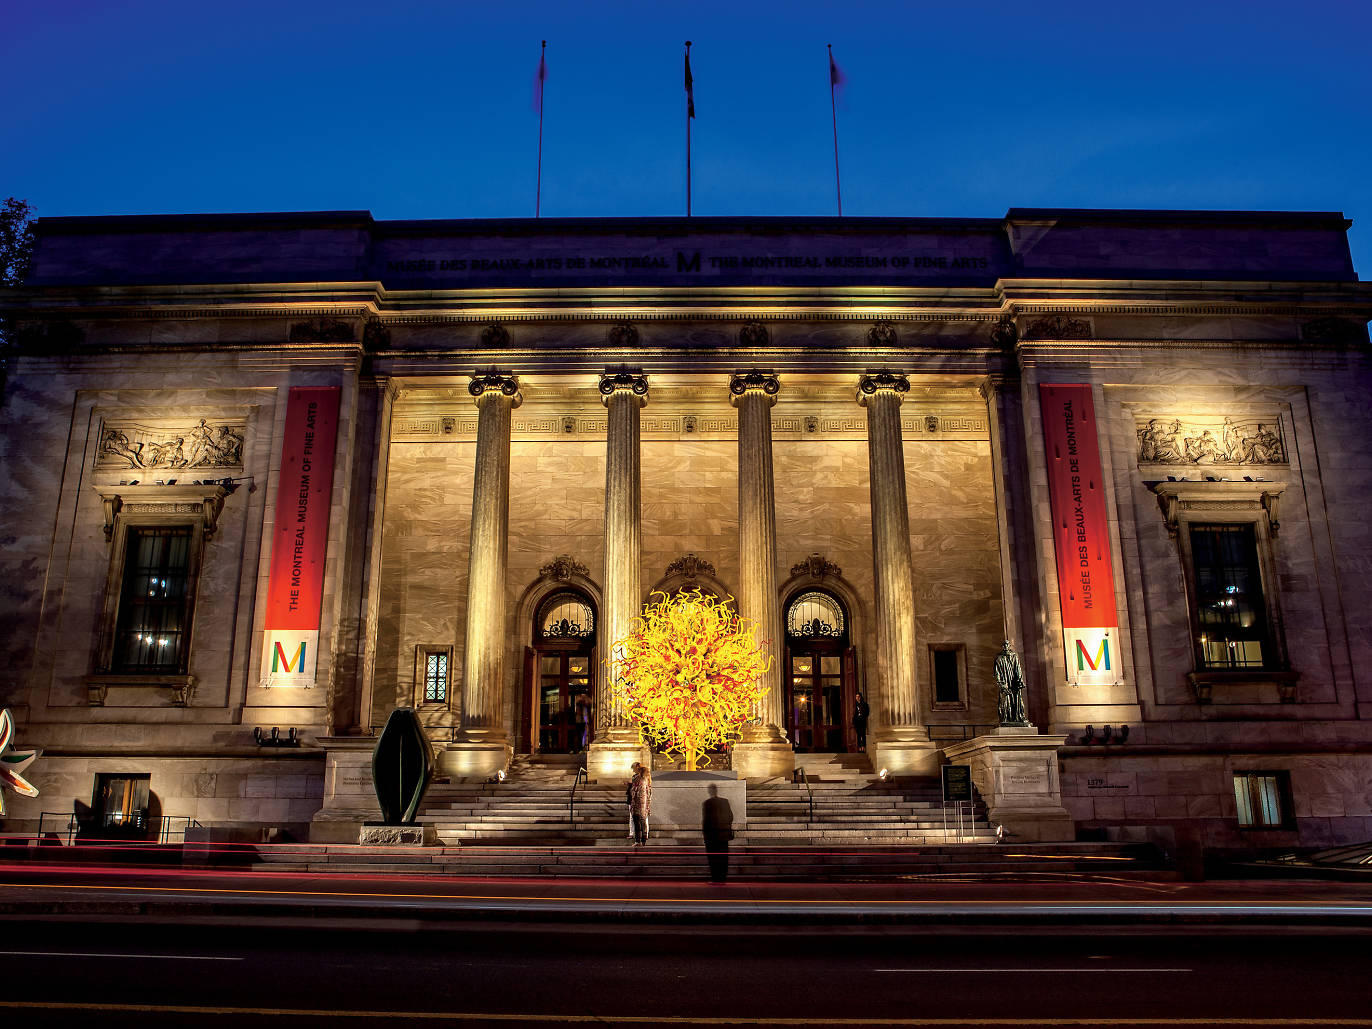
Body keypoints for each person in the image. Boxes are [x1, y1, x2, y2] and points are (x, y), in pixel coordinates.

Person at [701, 784, 735, 884]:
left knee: (714, 858)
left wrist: (705, 835)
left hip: (712, 836)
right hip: (724, 835)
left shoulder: (707, 803)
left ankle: (716, 878)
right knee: (723, 858)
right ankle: (722, 878)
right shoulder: (725, 802)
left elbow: (706, 820)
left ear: (710, 791)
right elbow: (730, 816)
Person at [995, 639, 1029, 726]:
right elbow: (997, 672)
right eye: (1004, 645)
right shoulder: (999, 658)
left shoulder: (1014, 656)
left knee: (1017, 701)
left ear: (1009, 646)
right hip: (1005, 683)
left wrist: (1020, 680)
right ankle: (1006, 718)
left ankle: (1018, 717)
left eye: (1007, 645)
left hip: (1014, 682)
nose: (1006, 647)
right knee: (1005, 701)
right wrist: (1001, 684)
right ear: (1002, 647)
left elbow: (1018, 669)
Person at [629, 764, 652, 847]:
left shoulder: (638, 779)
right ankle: (644, 840)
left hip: (637, 804)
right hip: (644, 805)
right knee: (643, 823)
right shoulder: (647, 780)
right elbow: (649, 794)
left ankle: (638, 841)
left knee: (637, 823)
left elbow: (634, 791)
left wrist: (632, 802)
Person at [625, 762, 641, 840]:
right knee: (632, 817)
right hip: (632, 799)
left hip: (639, 800)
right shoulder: (634, 776)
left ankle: (644, 834)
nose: (633, 770)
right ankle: (632, 833)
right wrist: (630, 785)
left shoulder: (642, 777)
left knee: (642, 818)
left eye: (634, 768)